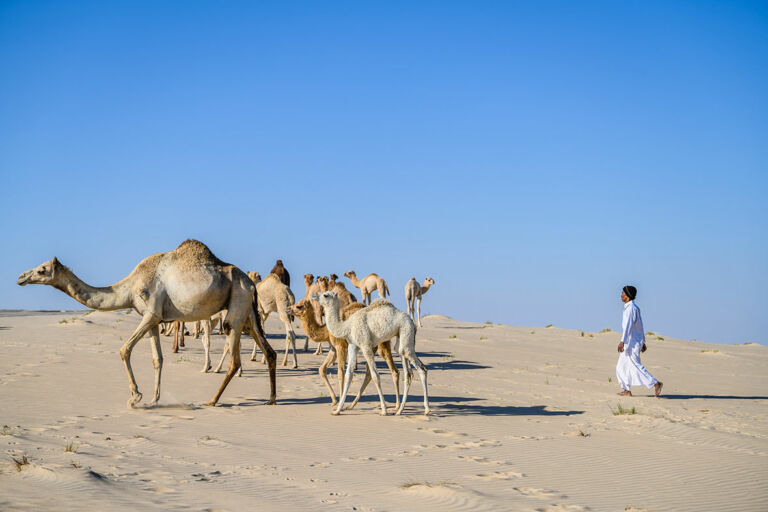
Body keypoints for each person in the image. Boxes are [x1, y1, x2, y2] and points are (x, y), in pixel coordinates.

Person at [616, 285, 663, 397]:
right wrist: (643, 341)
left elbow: (628, 326)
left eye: (623, 293)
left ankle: (655, 383)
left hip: (631, 343)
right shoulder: (632, 307)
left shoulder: (631, 309)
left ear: (627, 296)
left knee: (636, 365)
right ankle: (626, 390)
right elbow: (640, 326)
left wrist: (622, 341)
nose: (621, 295)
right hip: (633, 342)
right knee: (621, 367)